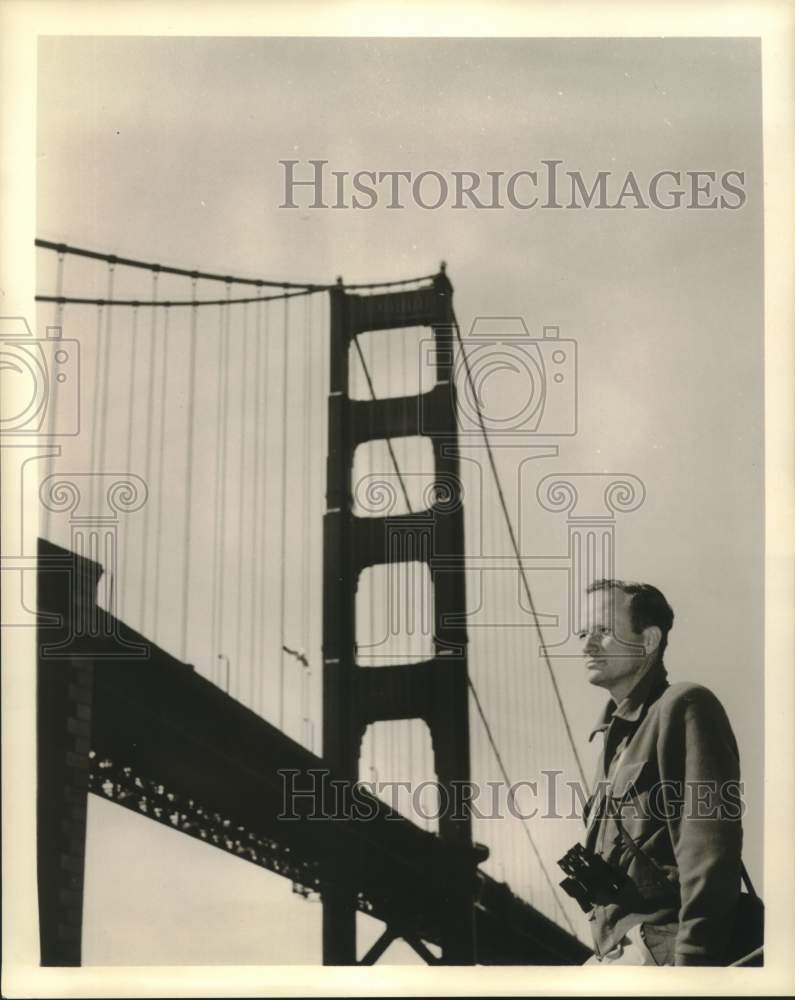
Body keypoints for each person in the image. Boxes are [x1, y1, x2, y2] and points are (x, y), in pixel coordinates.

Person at [571, 578, 743, 966]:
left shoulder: (683, 706)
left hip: (663, 949)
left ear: (648, 640)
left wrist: (692, 967)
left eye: (603, 631)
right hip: (617, 953)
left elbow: (709, 853)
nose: (586, 644)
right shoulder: (612, 744)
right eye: (583, 632)